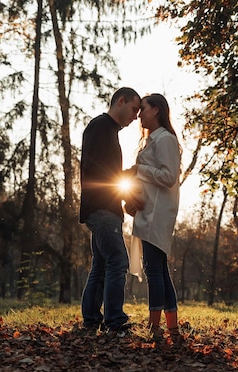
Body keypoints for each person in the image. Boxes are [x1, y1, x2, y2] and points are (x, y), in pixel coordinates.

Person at [79, 87, 141, 336]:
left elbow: (105, 172)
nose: (135, 116)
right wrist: (127, 185)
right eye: (134, 109)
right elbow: (98, 171)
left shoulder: (107, 130)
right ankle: (114, 321)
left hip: (101, 207)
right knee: (118, 261)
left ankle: (91, 320)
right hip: (102, 209)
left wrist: (125, 191)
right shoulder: (101, 127)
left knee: (102, 266)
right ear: (121, 101)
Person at [129, 93, 182, 340]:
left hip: (157, 215)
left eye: (144, 109)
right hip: (147, 211)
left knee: (154, 270)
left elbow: (169, 176)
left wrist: (140, 170)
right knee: (159, 269)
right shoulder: (152, 141)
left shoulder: (166, 140)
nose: (139, 114)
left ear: (157, 110)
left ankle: (155, 326)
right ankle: (171, 326)